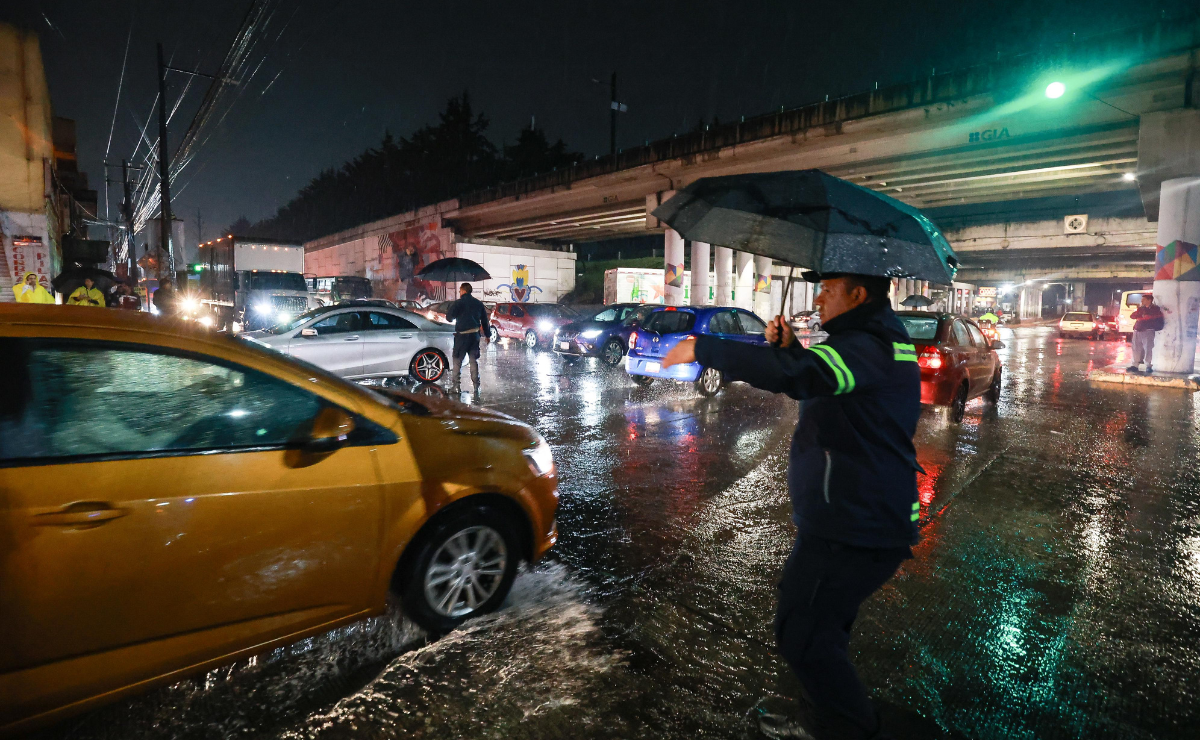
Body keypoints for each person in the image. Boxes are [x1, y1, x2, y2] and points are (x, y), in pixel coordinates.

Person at [662, 272, 921, 740]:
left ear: (858, 295)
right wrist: (791, 349)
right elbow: (820, 376)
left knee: (801, 635)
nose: (818, 296)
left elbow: (802, 377)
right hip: (855, 516)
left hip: (853, 524)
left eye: (829, 288)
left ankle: (846, 729)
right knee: (821, 633)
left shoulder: (866, 347)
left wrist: (705, 349)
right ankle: (824, 718)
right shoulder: (870, 342)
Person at [445, 282, 491, 393]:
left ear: (463, 290)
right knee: (473, 361)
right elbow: (485, 321)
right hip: (475, 336)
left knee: (457, 361)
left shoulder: (458, 303)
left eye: (460, 290)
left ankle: (456, 386)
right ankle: (476, 387)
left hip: (462, 337)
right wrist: (488, 335)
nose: (460, 292)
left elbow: (449, 318)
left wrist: (452, 310)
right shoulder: (478, 304)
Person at [1128, 293, 1164, 374]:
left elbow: (1156, 318)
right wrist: (1141, 315)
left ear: (1149, 300)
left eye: (1143, 300)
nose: (1141, 301)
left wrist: (1147, 317)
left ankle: (1148, 365)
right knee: (1136, 348)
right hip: (1138, 330)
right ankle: (1135, 365)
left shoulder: (1155, 309)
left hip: (1148, 330)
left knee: (1148, 348)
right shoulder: (1141, 308)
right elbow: (1132, 316)